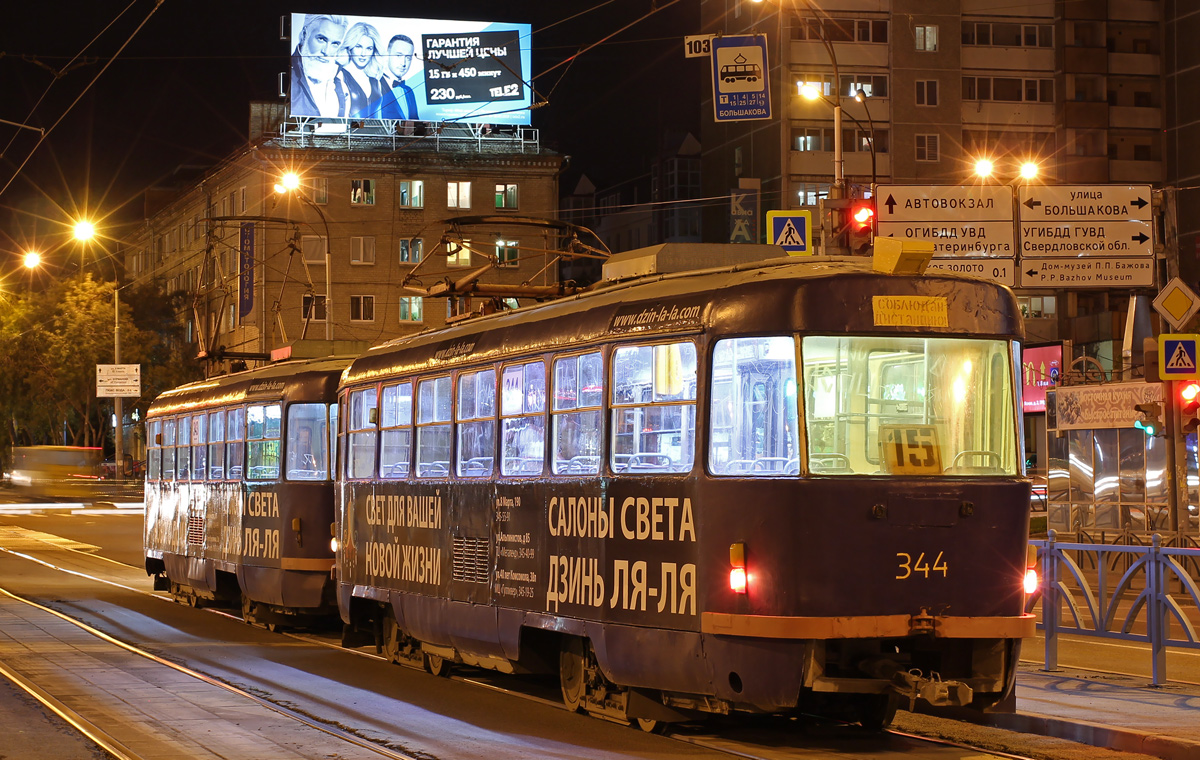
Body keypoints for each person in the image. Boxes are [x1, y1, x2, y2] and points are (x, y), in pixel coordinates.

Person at [290, 14, 351, 118]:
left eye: (335, 44)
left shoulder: (340, 85)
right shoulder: (287, 78)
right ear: (305, 35)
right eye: (321, 39)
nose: (327, 52)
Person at [341, 22, 385, 119]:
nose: (363, 54)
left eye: (369, 48)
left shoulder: (376, 82)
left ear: (373, 51)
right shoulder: (340, 76)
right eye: (358, 46)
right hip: (349, 133)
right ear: (350, 48)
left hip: (375, 132)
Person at [380, 34, 420, 121]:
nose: (403, 63)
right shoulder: (375, 86)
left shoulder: (409, 91)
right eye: (398, 55)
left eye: (408, 57)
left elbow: (415, 122)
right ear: (387, 55)